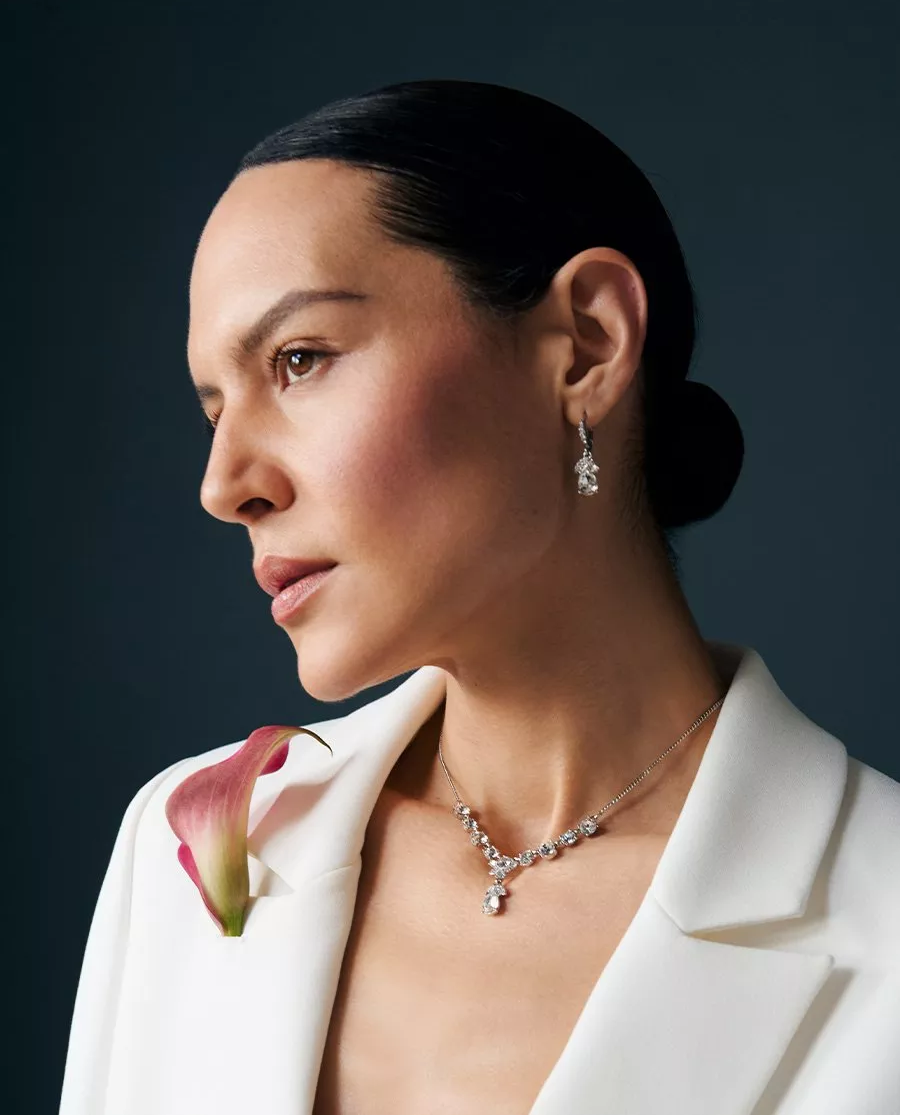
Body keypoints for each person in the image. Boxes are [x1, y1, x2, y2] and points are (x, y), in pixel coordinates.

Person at [58, 80, 900, 1115]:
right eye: (214, 408)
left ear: (586, 342)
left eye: (300, 358)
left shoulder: (884, 918)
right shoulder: (190, 853)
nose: (226, 482)